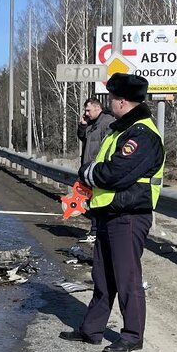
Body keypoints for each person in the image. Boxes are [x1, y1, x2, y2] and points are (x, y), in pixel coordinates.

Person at [62, 72, 164, 352]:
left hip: (130, 214)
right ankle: (92, 330)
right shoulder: (121, 130)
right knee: (103, 275)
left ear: (122, 101)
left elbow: (115, 173)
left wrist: (87, 173)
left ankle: (132, 336)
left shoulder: (142, 134)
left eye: (111, 99)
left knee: (127, 276)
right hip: (110, 212)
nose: (109, 103)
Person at [75, 95, 116, 244]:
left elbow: (108, 145)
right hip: (89, 167)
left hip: (98, 168)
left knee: (97, 202)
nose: (86, 113)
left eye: (88, 110)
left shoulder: (107, 122)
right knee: (92, 201)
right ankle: (95, 231)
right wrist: (83, 125)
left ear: (97, 108)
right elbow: (83, 138)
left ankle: (96, 232)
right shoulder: (92, 123)